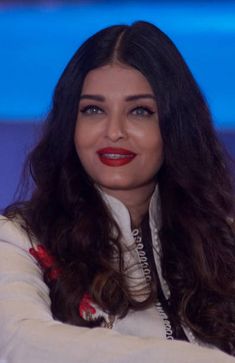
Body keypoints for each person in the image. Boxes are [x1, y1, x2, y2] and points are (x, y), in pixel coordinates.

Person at [0, 20, 234, 363]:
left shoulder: (224, 242)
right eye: (93, 110)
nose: (114, 131)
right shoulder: (21, 239)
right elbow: (16, 340)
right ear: (71, 124)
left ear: (174, 125)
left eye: (140, 111)